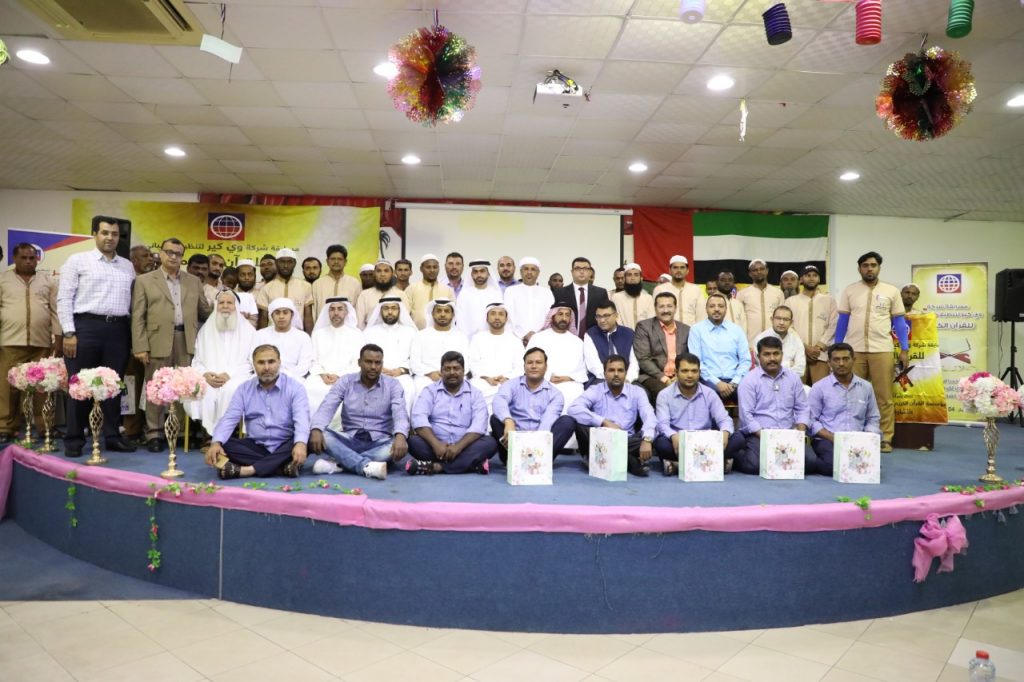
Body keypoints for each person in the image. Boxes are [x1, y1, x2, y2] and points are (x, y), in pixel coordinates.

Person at [57, 216, 137, 457]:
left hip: (118, 330)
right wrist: (69, 332)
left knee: (113, 385)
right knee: (79, 385)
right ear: (94, 234)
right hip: (85, 328)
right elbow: (64, 298)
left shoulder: (127, 266)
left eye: (114, 234)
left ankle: (112, 436)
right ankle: (74, 439)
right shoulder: (77, 260)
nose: (110, 238)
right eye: (105, 233)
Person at [131, 237, 212, 452]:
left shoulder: (193, 281)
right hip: (156, 340)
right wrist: (140, 346)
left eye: (178, 253)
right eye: (169, 252)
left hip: (187, 340)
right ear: (161, 253)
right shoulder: (145, 281)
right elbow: (138, 317)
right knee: (156, 387)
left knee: (185, 387)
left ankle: (180, 432)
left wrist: (228, 308)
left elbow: (205, 312)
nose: (173, 257)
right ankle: (155, 433)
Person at [835, 251, 908, 453]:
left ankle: (885, 437)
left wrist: (904, 349)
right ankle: (854, 434)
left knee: (883, 396)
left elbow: (899, 322)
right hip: (854, 350)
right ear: (859, 268)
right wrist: (837, 346)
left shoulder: (891, 291)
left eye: (873, 265)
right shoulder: (850, 290)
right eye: (865, 265)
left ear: (879, 268)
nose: (869, 269)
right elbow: (843, 321)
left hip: (882, 349)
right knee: (853, 394)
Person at [204, 344, 309, 479]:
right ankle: (282, 467)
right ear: (254, 364)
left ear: (279, 362)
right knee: (223, 444)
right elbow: (230, 418)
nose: (266, 367)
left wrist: (300, 444)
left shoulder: (295, 388)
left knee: (308, 438)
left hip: (286, 445)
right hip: (256, 445)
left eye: (271, 362)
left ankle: (247, 470)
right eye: (261, 362)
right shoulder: (243, 389)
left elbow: (302, 420)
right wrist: (216, 443)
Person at [308, 344, 410, 480]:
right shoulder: (345, 381)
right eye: (368, 362)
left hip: (379, 442)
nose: (373, 367)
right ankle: (367, 466)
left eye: (378, 363)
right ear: (359, 362)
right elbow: (327, 406)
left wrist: (401, 436)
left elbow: (400, 413)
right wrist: (316, 429)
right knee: (322, 434)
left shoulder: (393, 385)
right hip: (349, 440)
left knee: (397, 445)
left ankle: (339, 464)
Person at [0, 243, 61, 443]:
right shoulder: (3, 279)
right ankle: (5, 427)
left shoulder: (47, 281)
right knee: (7, 388)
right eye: (23, 258)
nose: (28, 261)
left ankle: (45, 427)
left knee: (42, 387)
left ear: (37, 259)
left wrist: (58, 338)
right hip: (10, 342)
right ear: (14, 258)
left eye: (32, 258)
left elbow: (55, 311)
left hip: (41, 343)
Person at [737, 336, 822, 475]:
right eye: (766, 354)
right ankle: (737, 455)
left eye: (776, 354)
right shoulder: (749, 380)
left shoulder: (793, 378)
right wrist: (767, 437)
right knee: (754, 465)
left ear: (782, 355)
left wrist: (799, 433)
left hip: (788, 433)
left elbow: (803, 408)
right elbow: (746, 416)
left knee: (810, 463)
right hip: (760, 434)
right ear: (758, 357)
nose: (772, 358)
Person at [407, 351, 497, 475]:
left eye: (456, 368)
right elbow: (419, 419)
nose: (452, 372)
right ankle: (471, 464)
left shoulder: (475, 394)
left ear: (463, 371)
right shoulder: (429, 391)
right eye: (447, 369)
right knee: (413, 441)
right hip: (436, 446)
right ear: (441, 371)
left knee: (490, 443)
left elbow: (479, 425)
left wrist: (458, 447)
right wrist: (436, 444)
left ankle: (437, 467)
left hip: (465, 446)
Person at [654, 353, 744, 476]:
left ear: (699, 373)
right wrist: (673, 436)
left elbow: (724, 419)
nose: (690, 375)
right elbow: (662, 424)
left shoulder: (709, 393)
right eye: (685, 371)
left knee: (738, 438)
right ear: (676, 372)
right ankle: (716, 463)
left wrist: (725, 432)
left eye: (694, 371)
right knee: (661, 443)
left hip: (706, 443)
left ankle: (678, 465)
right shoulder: (664, 395)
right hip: (679, 442)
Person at [568, 355, 656, 477]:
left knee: (652, 434)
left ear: (625, 373)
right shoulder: (595, 390)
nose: (616, 374)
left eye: (620, 370)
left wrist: (647, 439)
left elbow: (649, 415)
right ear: (604, 374)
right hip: (599, 440)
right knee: (579, 425)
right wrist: (604, 422)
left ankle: (600, 459)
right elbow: (573, 408)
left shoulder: (637, 392)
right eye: (611, 370)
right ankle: (631, 461)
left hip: (627, 440)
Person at [491, 347, 576, 462]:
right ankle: (513, 460)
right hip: (513, 440)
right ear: (524, 366)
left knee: (567, 421)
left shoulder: (555, 394)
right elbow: (499, 400)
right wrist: (508, 421)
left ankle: (539, 461)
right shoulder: (510, 385)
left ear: (546, 367)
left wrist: (533, 446)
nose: (534, 366)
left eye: (538, 362)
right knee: (496, 418)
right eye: (530, 362)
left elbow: (546, 424)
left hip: (541, 445)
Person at [808, 343, 882, 476]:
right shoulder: (819, 387)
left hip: (857, 439)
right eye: (836, 360)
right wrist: (833, 437)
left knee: (870, 468)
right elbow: (811, 420)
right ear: (829, 363)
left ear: (853, 360)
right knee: (833, 466)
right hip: (828, 439)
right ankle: (810, 462)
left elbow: (873, 418)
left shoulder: (866, 387)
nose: (841, 363)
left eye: (846, 359)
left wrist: (868, 439)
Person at [190, 290, 256, 436]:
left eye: (229, 303)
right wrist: (205, 375)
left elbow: (251, 362)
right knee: (205, 391)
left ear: (236, 306)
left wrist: (230, 375)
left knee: (230, 389)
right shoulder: (205, 330)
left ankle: (227, 434)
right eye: (221, 303)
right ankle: (209, 436)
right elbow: (197, 360)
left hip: (238, 377)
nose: (225, 306)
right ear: (216, 305)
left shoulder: (249, 331)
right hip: (210, 378)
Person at [686, 293, 749, 403]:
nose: (716, 309)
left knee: (749, 397)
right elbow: (697, 362)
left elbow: (745, 360)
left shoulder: (736, 330)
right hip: (708, 380)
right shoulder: (696, 330)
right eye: (712, 306)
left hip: (734, 380)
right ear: (706, 309)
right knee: (708, 397)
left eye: (720, 306)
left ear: (726, 309)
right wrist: (717, 383)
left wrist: (734, 382)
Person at [305, 297, 363, 413]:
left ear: (346, 312)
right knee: (309, 388)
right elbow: (312, 359)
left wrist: (339, 376)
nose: (336, 313)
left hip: (347, 376)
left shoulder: (357, 334)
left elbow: (358, 362)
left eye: (340, 309)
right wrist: (322, 374)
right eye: (332, 309)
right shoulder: (318, 334)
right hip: (320, 377)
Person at [633, 292, 690, 403]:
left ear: (675, 308)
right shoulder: (644, 327)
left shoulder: (686, 329)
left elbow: (689, 357)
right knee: (665, 392)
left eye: (669, 306)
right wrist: (664, 378)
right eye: (661, 306)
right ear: (655, 308)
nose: (665, 310)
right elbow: (643, 359)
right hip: (653, 376)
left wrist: (679, 376)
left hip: (679, 375)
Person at [362, 297, 417, 411]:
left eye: (394, 308)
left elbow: (415, 358)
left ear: (399, 311)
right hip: (374, 374)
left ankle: (402, 422)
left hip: (402, 376)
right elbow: (363, 357)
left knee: (408, 389)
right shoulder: (369, 332)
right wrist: (377, 369)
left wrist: (401, 370)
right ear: (380, 311)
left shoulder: (410, 332)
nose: (390, 312)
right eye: (386, 308)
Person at [467, 302, 523, 410]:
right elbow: (472, 362)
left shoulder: (515, 340)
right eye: (493, 314)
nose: (497, 317)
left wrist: (506, 377)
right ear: (487, 318)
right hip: (482, 382)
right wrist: (487, 378)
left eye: (501, 314)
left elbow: (520, 366)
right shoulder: (477, 338)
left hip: (507, 383)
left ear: (506, 318)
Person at [530, 304, 588, 408]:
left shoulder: (577, 342)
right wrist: (548, 376)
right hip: (543, 382)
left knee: (576, 402)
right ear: (552, 316)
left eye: (567, 315)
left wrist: (568, 378)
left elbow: (583, 368)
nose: (564, 318)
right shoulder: (537, 338)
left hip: (571, 385)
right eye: (560, 314)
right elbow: (528, 363)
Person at [788, 264, 837, 385]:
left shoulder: (829, 300)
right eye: (808, 275)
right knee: (797, 391)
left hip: (821, 355)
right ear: (801, 279)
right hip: (797, 355)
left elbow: (833, 325)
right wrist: (805, 347)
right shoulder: (791, 301)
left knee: (821, 391)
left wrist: (819, 346)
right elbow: (789, 327)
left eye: (815, 275)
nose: (811, 278)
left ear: (819, 279)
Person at [410, 299, 470, 394]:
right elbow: (414, 363)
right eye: (438, 311)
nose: (442, 314)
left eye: (446, 311)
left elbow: (466, 363)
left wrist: (449, 374)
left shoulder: (461, 337)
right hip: (426, 377)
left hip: (454, 377)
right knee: (421, 389)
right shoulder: (420, 335)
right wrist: (430, 373)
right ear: (432, 314)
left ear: (453, 315)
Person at [256, 248, 314, 332]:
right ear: (276, 263)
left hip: (297, 335)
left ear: (294, 264)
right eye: (282, 262)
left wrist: (309, 338)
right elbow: (263, 318)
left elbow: (308, 317)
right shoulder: (266, 288)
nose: (286, 265)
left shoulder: (305, 286)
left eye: (289, 262)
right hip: (273, 335)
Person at [252, 298, 312, 378]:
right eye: (277, 313)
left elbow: (305, 364)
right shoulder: (260, 335)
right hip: (264, 377)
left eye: (285, 312)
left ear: (292, 315)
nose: (281, 316)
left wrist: (285, 377)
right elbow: (252, 359)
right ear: (272, 316)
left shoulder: (303, 337)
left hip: (294, 378)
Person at [553, 256, 610, 338]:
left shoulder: (600, 293)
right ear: (572, 272)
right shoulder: (559, 293)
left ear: (590, 272)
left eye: (585, 269)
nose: (582, 271)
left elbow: (606, 316)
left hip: (594, 338)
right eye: (577, 268)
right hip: (566, 337)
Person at [583, 301, 638, 386]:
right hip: (600, 379)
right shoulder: (590, 334)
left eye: (606, 316)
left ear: (616, 315)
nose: (602, 320)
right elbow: (593, 365)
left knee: (641, 391)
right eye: (599, 316)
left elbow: (634, 362)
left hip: (626, 378)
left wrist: (627, 379)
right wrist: (614, 380)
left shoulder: (628, 333)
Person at [503, 256, 554, 345]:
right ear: (521, 272)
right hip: (515, 340)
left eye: (533, 269)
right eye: (526, 269)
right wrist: (521, 336)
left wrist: (536, 336)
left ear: (538, 273)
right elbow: (508, 318)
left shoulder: (547, 293)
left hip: (541, 340)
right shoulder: (510, 291)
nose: (529, 272)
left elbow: (550, 318)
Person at [736, 259, 785, 348]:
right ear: (750, 274)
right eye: (755, 270)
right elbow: (738, 319)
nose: (759, 272)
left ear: (767, 271)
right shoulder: (742, 293)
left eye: (762, 269)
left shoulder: (778, 293)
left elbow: (782, 317)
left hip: (774, 341)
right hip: (750, 343)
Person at [752, 305, 806, 379]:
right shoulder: (760, 339)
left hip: (790, 382)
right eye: (778, 318)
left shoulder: (796, 340)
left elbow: (800, 370)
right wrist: (788, 364)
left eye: (786, 319)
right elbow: (763, 368)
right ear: (772, 319)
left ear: (791, 322)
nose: (781, 322)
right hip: (765, 381)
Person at [455, 260, 503, 340]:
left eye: (482, 271)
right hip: (468, 339)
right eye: (475, 272)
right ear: (471, 274)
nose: (479, 275)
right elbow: (460, 320)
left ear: (488, 273)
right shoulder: (464, 294)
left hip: (492, 339)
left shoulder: (496, 294)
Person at [406, 253, 455, 329]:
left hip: (442, 333)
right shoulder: (411, 288)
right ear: (421, 269)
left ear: (438, 269)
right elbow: (405, 314)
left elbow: (453, 314)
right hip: (416, 333)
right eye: (428, 267)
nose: (432, 270)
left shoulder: (447, 290)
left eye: (435, 267)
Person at [355, 260, 409, 328]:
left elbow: (405, 320)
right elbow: (360, 322)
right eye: (379, 271)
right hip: (371, 333)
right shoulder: (364, 295)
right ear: (374, 274)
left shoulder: (401, 295)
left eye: (386, 271)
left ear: (392, 273)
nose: (382, 274)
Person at [652, 255, 704, 326]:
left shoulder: (696, 289)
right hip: (666, 331)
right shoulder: (660, 289)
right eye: (675, 267)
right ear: (670, 271)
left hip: (691, 331)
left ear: (687, 271)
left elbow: (701, 316)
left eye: (682, 267)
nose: (679, 270)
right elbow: (655, 314)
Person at [312, 244, 362, 317]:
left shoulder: (355, 283)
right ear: (327, 261)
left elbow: (358, 310)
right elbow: (314, 312)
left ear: (345, 262)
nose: (336, 262)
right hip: (323, 324)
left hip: (348, 324)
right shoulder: (317, 284)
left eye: (339, 259)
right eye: (332, 259)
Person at [610, 262, 654, 330]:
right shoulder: (616, 298)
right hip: (623, 335)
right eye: (629, 275)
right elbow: (616, 321)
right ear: (625, 278)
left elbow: (651, 321)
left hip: (644, 335)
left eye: (636, 275)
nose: (632, 278)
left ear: (641, 278)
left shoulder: (648, 299)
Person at [230, 260, 259, 326]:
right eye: (243, 275)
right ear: (237, 276)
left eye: (250, 274)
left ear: (255, 276)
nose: (246, 278)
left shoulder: (261, 294)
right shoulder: (231, 294)